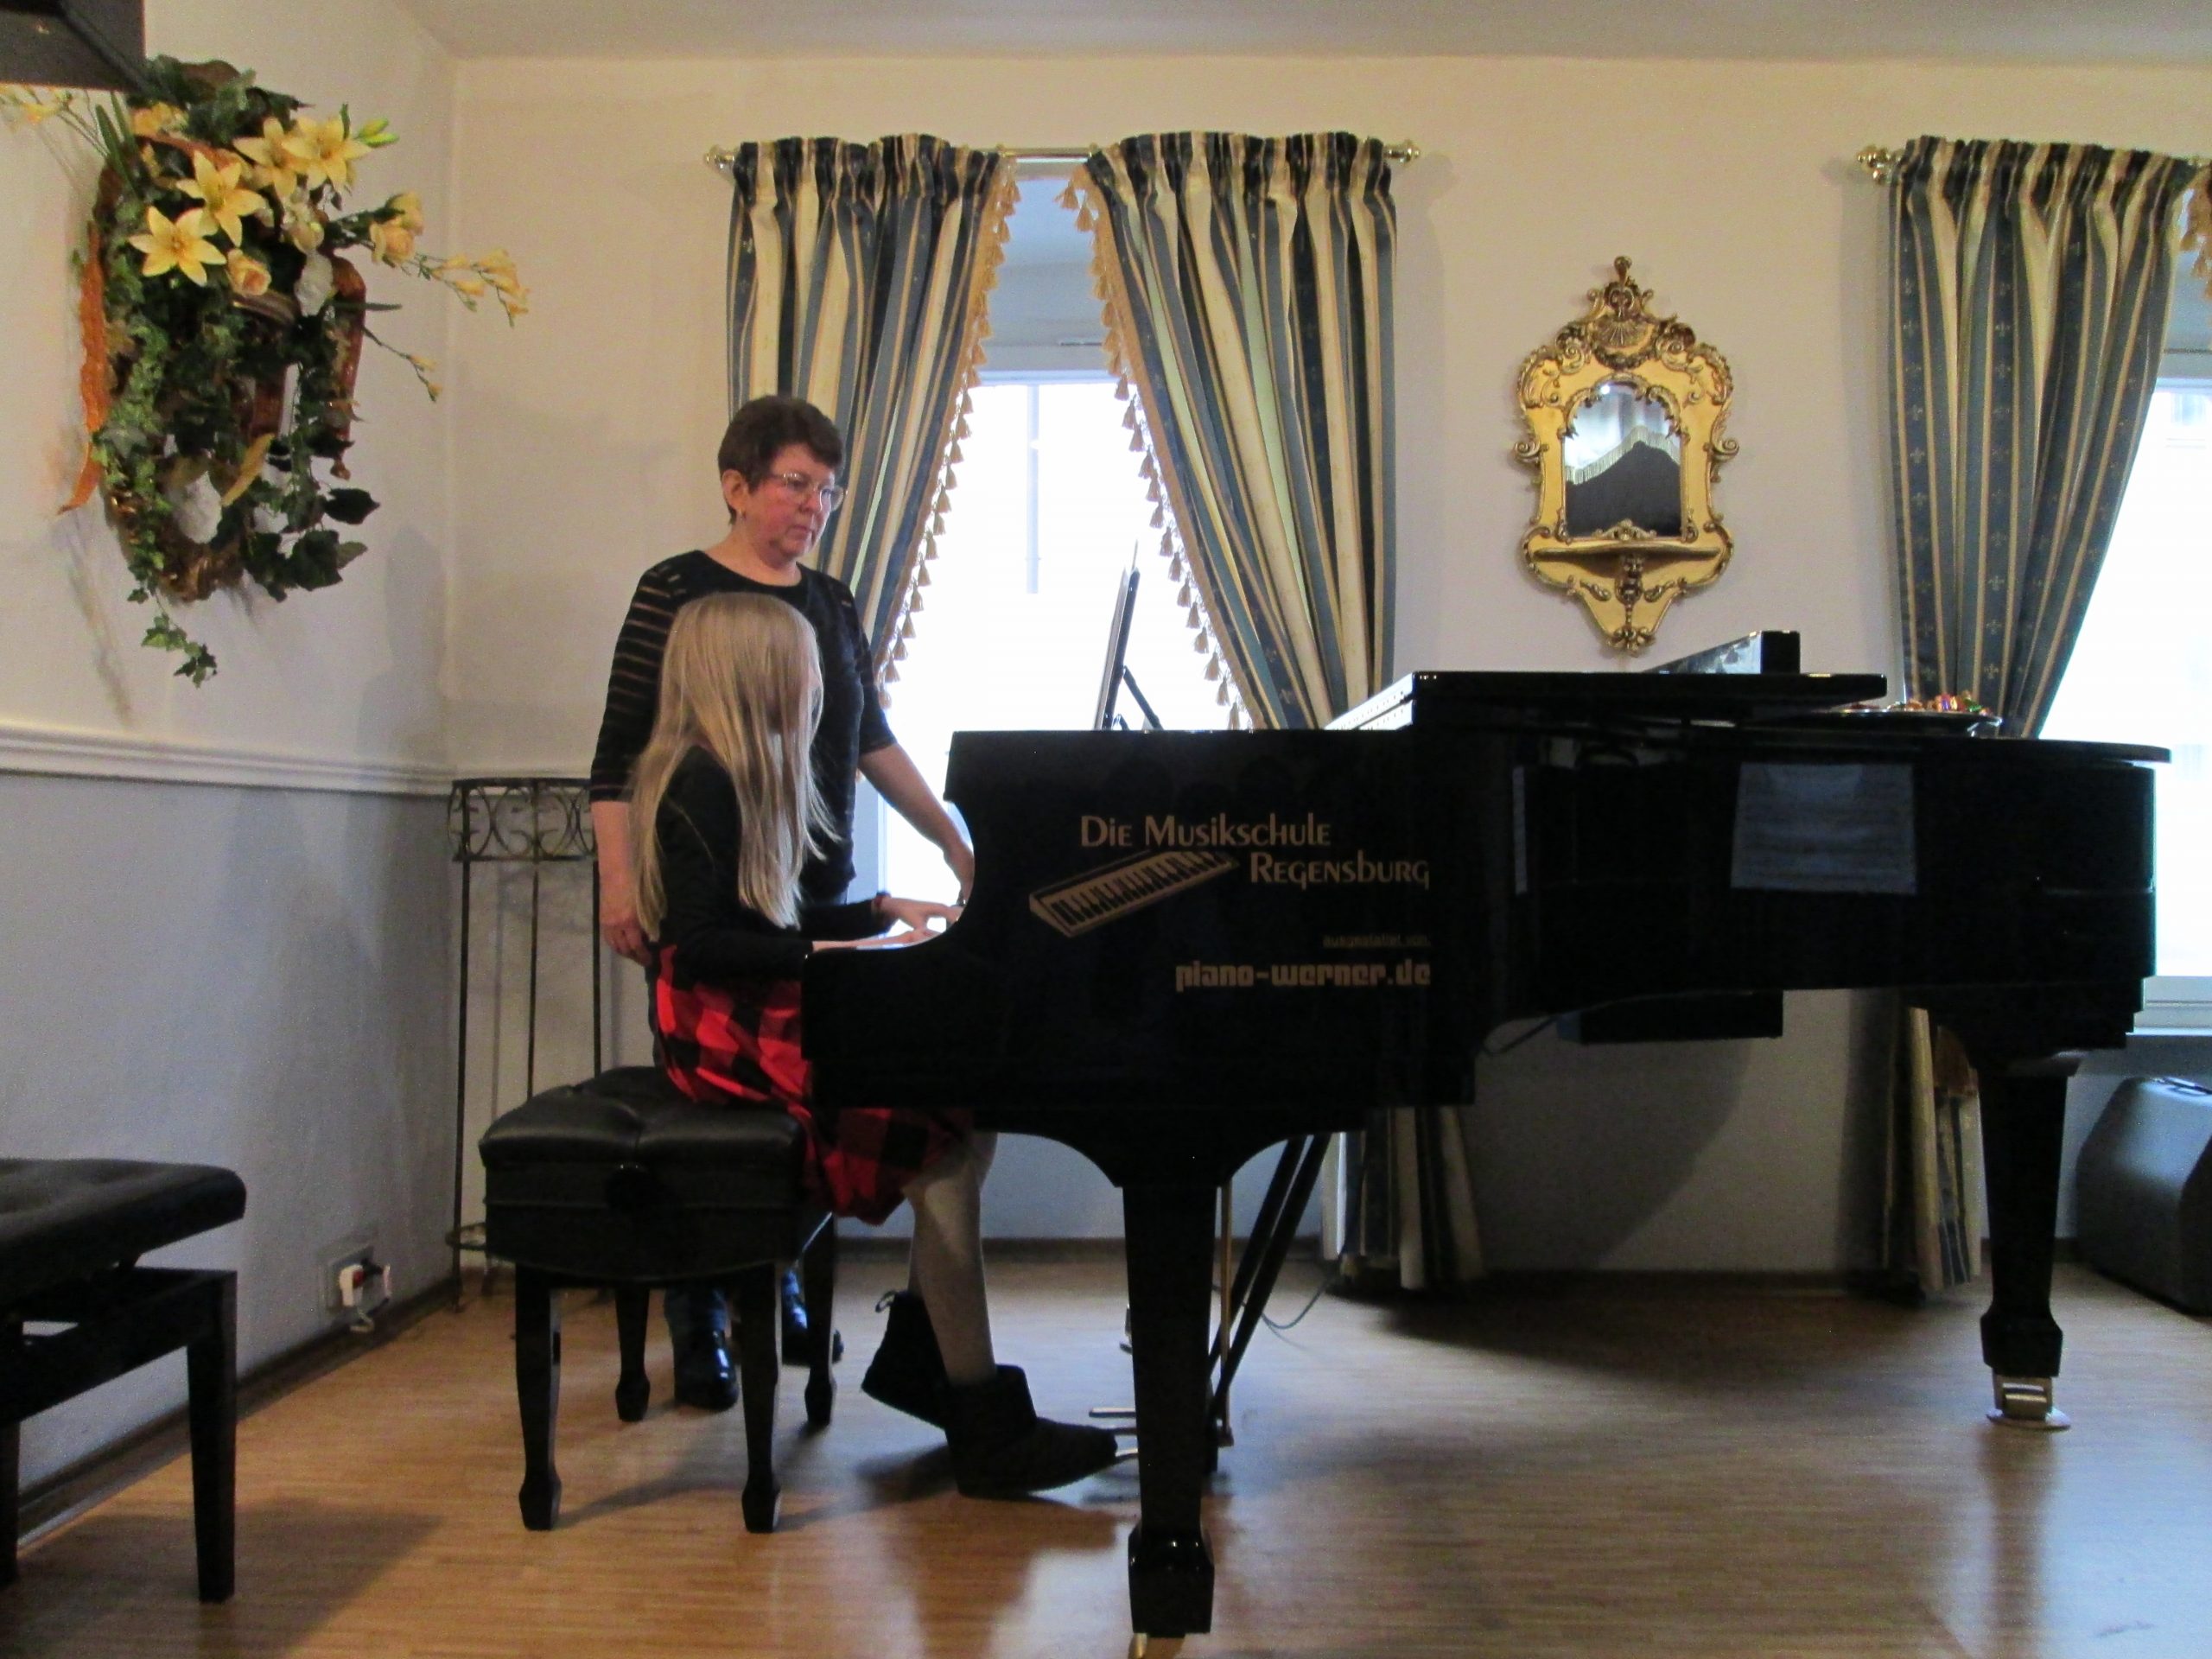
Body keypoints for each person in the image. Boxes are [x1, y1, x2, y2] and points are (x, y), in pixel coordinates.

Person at [630, 592, 1120, 1495]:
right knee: (937, 1143)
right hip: (719, 1028)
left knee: (967, 1113)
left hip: (740, 1004)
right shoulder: (703, 780)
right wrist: (833, 953)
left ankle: (929, 1360)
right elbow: (697, 946)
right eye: (802, 668)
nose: (817, 685)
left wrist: (880, 911)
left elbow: (766, 922)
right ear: (753, 678)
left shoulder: (727, 771)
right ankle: (980, 1419)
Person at [589, 395, 972, 1411]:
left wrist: (948, 842)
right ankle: (701, 1315)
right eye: (796, 484)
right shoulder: (679, 592)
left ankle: (781, 1288)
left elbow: (869, 736)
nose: (814, 506)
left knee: (812, 1101)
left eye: (827, 491)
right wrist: (621, 886)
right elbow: (620, 753)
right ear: (737, 485)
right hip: (721, 911)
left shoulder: (831, 602)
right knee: (760, 1102)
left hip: (801, 891)